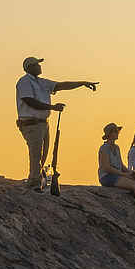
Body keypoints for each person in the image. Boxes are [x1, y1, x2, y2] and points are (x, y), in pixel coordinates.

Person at [15, 56, 96, 190]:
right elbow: (29, 100)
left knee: (43, 153)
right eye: (37, 64)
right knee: (36, 153)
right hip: (31, 123)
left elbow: (61, 85)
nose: (40, 66)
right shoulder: (24, 82)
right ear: (29, 67)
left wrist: (82, 83)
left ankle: (37, 180)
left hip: (42, 123)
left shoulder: (41, 82)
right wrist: (52, 107)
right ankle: (34, 181)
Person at [98, 123, 135, 209]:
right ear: (110, 134)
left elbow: (121, 165)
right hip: (107, 177)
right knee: (134, 184)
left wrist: (130, 172)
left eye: (117, 131)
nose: (117, 133)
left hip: (118, 175)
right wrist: (123, 174)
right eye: (115, 132)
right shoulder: (104, 148)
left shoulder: (116, 147)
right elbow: (106, 168)